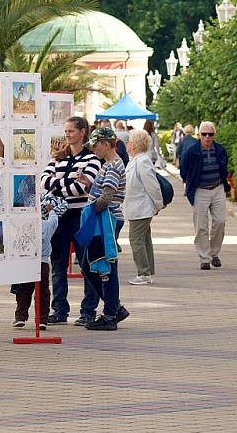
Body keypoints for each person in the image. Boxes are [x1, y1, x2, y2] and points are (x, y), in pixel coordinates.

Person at [40, 116, 102, 325]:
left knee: (87, 264)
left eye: (71, 131)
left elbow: (82, 187)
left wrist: (58, 185)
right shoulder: (58, 157)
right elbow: (44, 181)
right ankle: (59, 311)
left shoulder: (92, 159)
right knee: (57, 265)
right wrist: (68, 182)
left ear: (82, 132)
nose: (67, 135)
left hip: (81, 217)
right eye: (65, 131)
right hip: (58, 218)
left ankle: (88, 311)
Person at [75, 127, 129, 330]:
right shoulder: (109, 165)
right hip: (103, 220)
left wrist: (89, 207)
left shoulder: (114, 166)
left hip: (106, 220)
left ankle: (110, 314)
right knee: (93, 265)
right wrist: (88, 185)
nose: (93, 150)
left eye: (95, 145)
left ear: (106, 144)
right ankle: (114, 307)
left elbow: (106, 198)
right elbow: (103, 192)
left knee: (104, 266)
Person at [10, 193, 67, 329]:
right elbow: (55, 219)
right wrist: (51, 209)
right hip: (43, 263)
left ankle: (20, 316)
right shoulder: (48, 225)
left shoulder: (24, 225)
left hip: (26, 261)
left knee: (24, 289)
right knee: (43, 291)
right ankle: (42, 319)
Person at [180, 121, 230, 270]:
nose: (207, 137)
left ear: (214, 135)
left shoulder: (220, 149)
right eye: (204, 134)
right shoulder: (191, 151)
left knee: (220, 221)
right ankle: (204, 258)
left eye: (210, 134)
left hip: (218, 187)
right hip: (200, 190)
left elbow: (224, 167)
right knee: (201, 225)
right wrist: (188, 183)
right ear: (199, 135)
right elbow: (184, 169)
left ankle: (214, 253)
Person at [124, 129, 164, 284]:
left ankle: (144, 273)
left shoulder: (142, 161)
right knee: (144, 239)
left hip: (141, 209)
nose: (126, 144)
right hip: (137, 208)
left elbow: (152, 186)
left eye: (129, 142)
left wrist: (158, 204)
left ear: (133, 145)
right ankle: (147, 271)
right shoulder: (135, 160)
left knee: (136, 240)